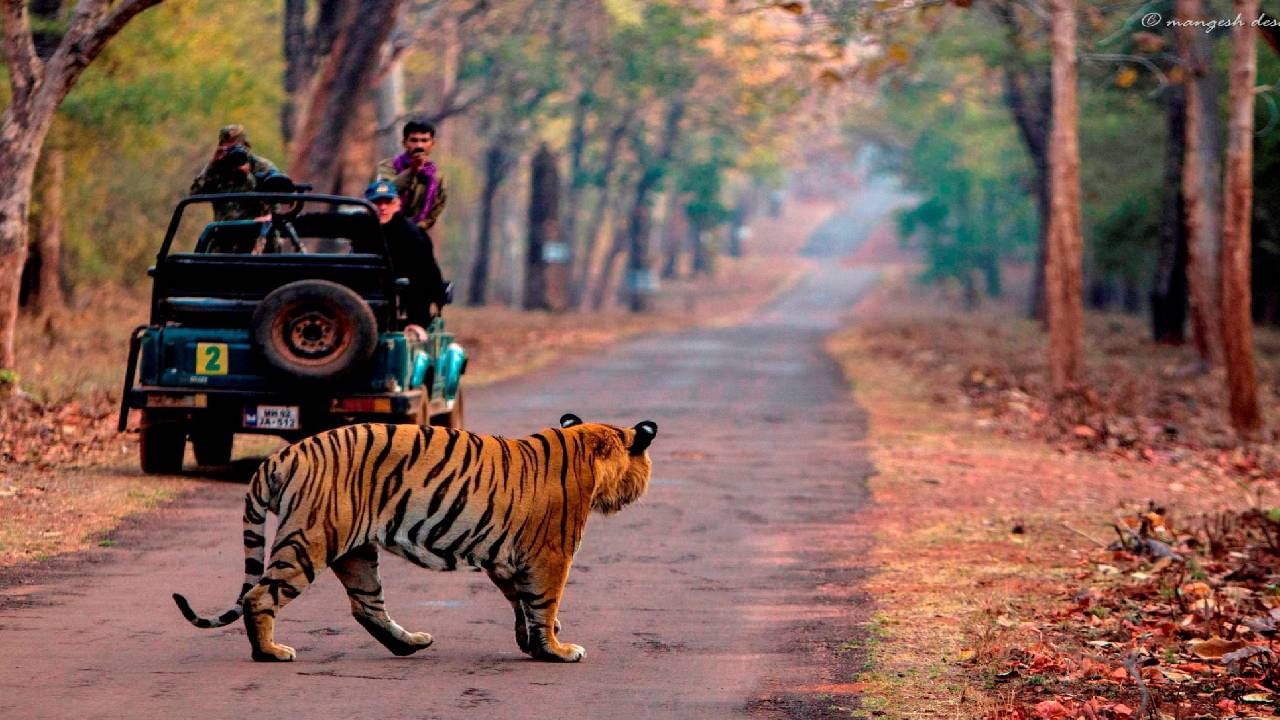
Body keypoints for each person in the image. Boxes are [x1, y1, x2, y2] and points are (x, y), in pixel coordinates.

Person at [363, 180, 448, 330]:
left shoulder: (412, 234)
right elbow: (326, 223)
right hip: (363, 301)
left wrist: (437, 298)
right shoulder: (361, 226)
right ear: (368, 206)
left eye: (388, 202)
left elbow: (428, 271)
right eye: (377, 202)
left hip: (407, 300)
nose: (382, 207)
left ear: (397, 204)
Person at [190, 124, 279, 221]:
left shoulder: (262, 167)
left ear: (247, 146)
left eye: (236, 148)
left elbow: (277, 202)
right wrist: (213, 164)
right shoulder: (218, 169)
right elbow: (195, 193)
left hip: (258, 230)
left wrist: (247, 176)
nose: (234, 153)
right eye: (229, 148)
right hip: (224, 230)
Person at [375, 119, 447, 236]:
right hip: (383, 232)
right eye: (414, 140)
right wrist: (413, 170)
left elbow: (435, 211)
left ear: (432, 144)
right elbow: (385, 193)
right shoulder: (387, 167)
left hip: (415, 237)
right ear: (404, 143)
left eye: (424, 140)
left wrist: (413, 231)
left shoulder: (437, 177)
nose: (419, 145)